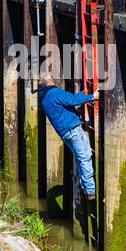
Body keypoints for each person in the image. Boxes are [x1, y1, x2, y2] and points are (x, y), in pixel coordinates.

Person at [38, 73, 99, 201]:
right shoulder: (54, 92)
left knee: (80, 157)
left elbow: (70, 100)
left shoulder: (44, 98)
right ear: (50, 81)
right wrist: (93, 96)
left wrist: (84, 94)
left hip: (64, 133)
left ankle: (85, 186)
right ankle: (90, 190)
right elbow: (73, 100)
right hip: (73, 130)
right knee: (85, 157)